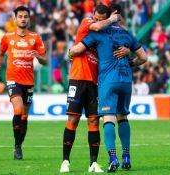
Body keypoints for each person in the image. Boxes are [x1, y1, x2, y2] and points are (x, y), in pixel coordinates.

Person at [69, 4, 147, 172]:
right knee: (123, 117)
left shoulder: (98, 33)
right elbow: (144, 58)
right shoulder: (127, 33)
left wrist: (70, 52)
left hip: (108, 81)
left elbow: (77, 50)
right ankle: (126, 156)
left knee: (108, 118)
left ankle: (113, 158)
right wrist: (129, 62)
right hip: (126, 81)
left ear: (108, 17)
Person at [60, 4, 130, 173]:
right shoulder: (87, 22)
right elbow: (96, 26)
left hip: (96, 82)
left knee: (93, 121)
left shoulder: (105, 36)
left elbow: (123, 41)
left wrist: (127, 50)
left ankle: (93, 163)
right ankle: (65, 161)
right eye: (96, 18)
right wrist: (111, 19)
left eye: (101, 18)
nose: (97, 22)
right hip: (78, 79)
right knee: (73, 120)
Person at [0, 6, 47, 160]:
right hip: (13, 79)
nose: (23, 19)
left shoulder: (35, 37)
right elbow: (1, 53)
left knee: (24, 116)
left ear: (29, 19)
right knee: (18, 110)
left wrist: (37, 55)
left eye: (26, 16)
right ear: (15, 19)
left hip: (28, 81)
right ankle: (17, 147)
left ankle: (19, 144)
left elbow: (44, 61)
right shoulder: (7, 37)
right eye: (20, 16)